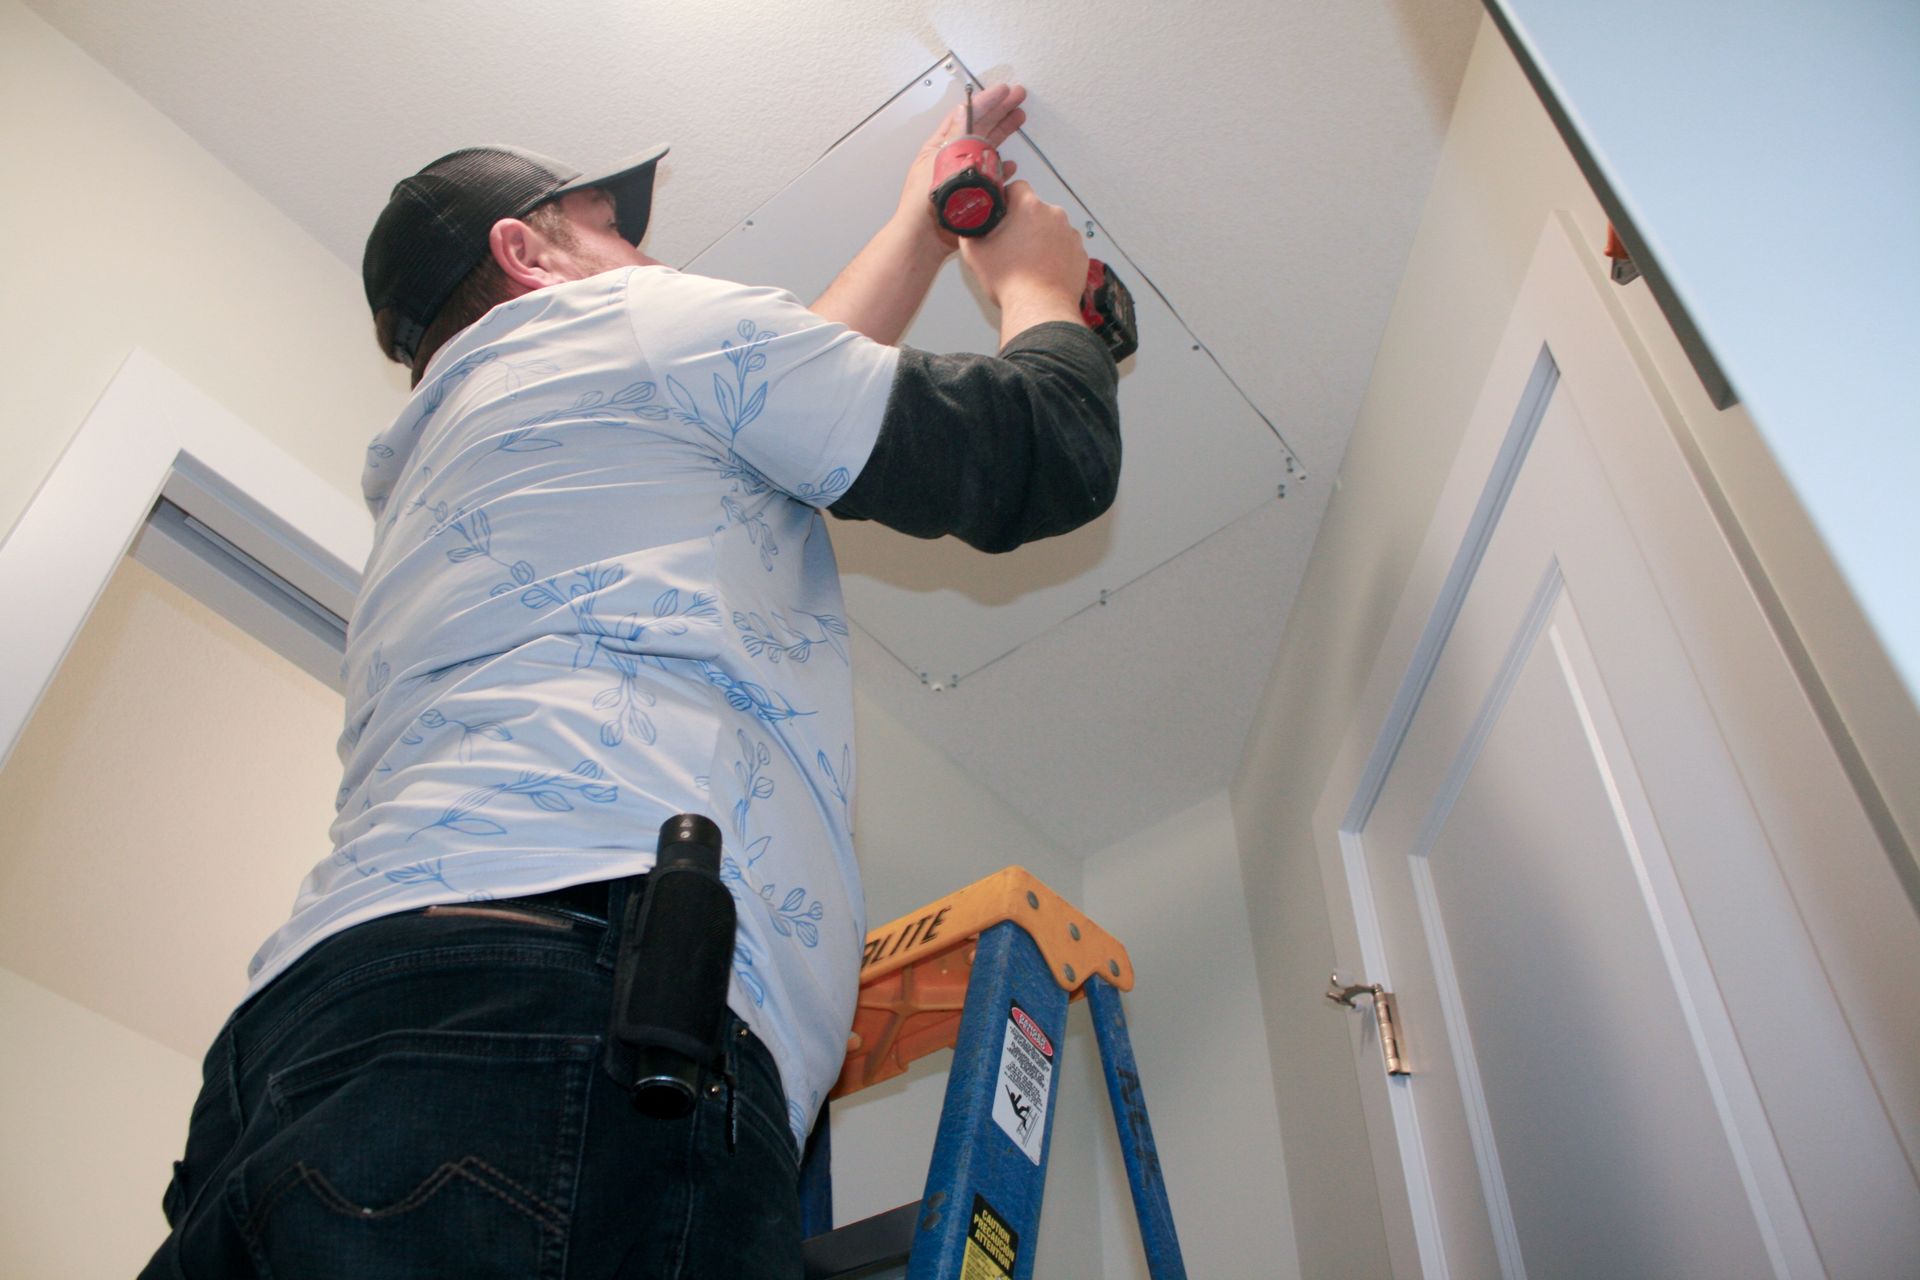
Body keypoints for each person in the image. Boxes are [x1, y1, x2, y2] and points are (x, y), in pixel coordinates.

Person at [142, 82, 1120, 1279]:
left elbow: (767, 429)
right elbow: (1037, 452)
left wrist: (922, 222)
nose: (650, 257)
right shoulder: (639, 329)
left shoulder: (446, 476)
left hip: (292, 1046)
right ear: (525, 250)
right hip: (567, 1023)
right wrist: (1039, 286)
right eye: (614, 229)